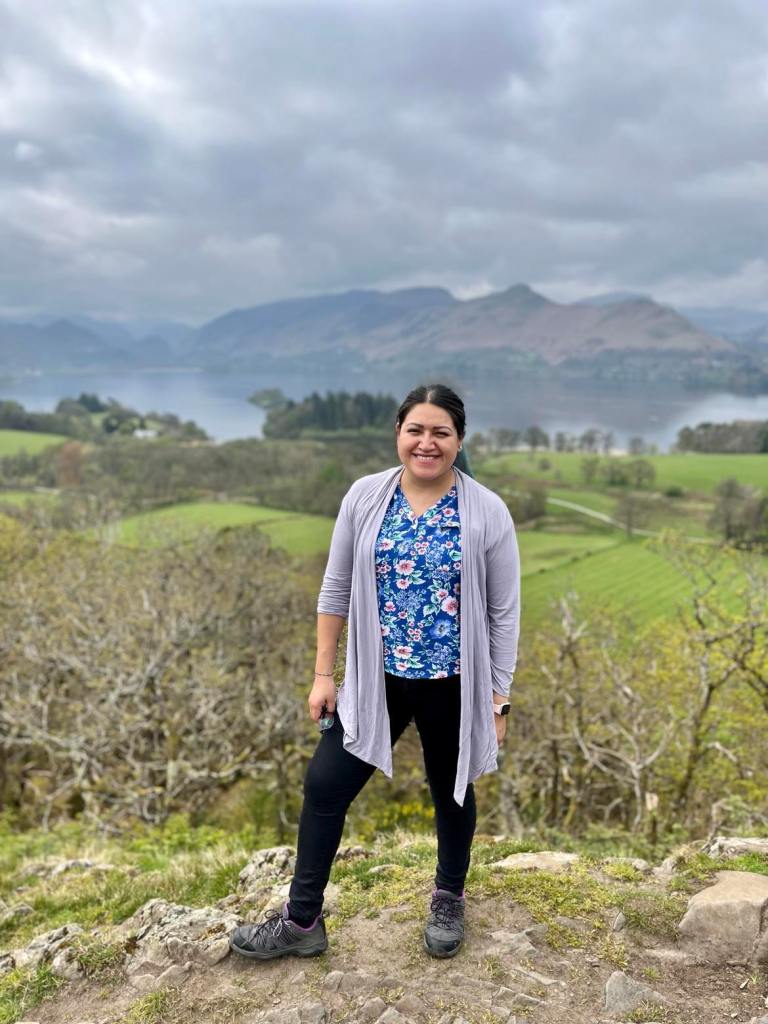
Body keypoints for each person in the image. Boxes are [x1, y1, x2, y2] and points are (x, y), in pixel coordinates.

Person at [230, 383, 520, 961]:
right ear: (398, 434)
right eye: (416, 430)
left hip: (455, 682)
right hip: (375, 678)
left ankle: (448, 897)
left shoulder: (487, 510)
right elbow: (335, 589)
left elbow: (504, 610)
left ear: (459, 440)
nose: (427, 443)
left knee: (453, 790)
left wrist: (498, 698)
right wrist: (323, 675)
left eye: (441, 432)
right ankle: (303, 922)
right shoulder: (366, 497)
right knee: (325, 785)